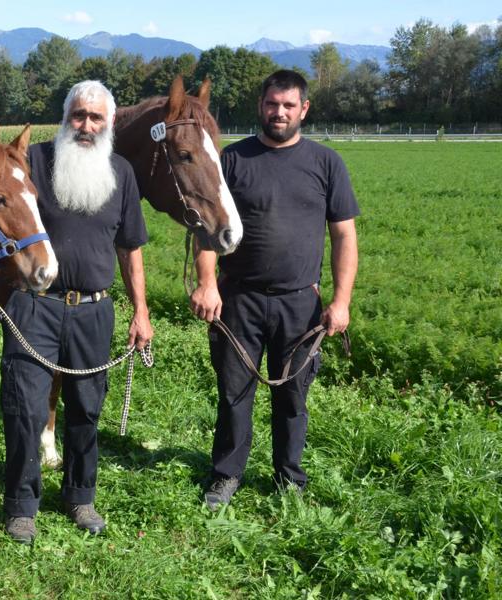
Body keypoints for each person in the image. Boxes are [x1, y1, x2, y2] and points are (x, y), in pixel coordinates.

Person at [0, 80, 153, 544]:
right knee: (25, 408)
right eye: (79, 115)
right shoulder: (35, 161)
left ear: (108, 123)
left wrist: (141, 311)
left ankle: (80, 496)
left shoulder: (122, 174)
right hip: (35, 306)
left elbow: (130, 248)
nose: (86, 125)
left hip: (94, 310)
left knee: (86, 409)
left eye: (95, 118)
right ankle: (21, 506)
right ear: (65, 116)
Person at [190, 69, 360, 510]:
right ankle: (226, 475)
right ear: (260, 106)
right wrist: (208, 283)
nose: (279, 112)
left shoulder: (326, 164)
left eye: (288, 105)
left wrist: (340, 302)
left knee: (292, 397)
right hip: (238, 299)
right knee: (234, 394)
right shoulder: (232, 161)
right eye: (272, 104)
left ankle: (289, 479)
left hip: (300, 303)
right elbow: (208, 230)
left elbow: (344, 236)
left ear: (303, 109)